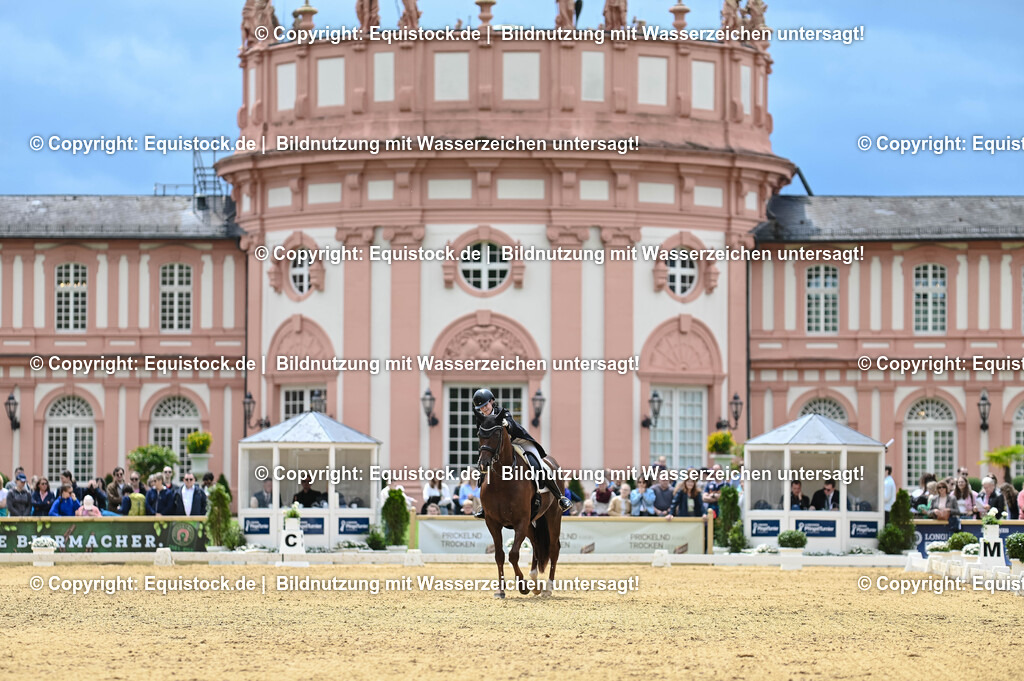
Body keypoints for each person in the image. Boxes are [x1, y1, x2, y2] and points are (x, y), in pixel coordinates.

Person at [471, 388, 573, 517]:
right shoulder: (480, 418)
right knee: (483, 469)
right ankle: (485, 506)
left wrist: (507, 424)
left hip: (519, 441)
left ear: (492, 401)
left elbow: (512, 425)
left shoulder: (502, 412)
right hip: (499, 448)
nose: (484, 409)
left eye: (485, 405)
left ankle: (560, 497)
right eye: (481, 407)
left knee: (538, 465)